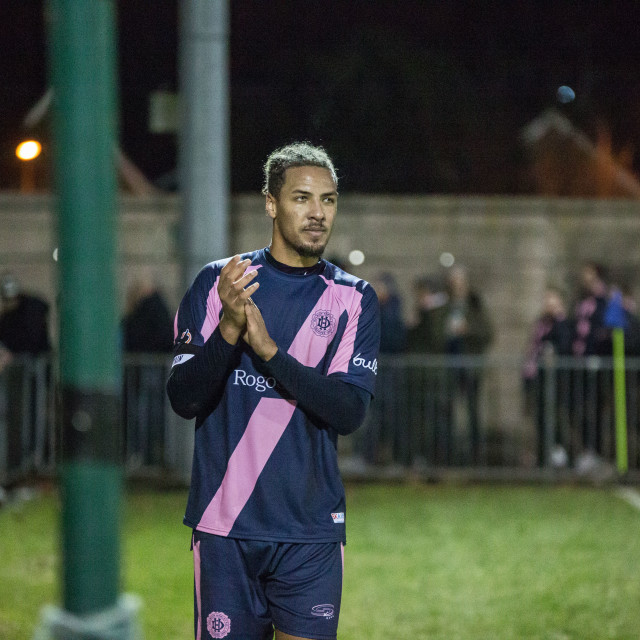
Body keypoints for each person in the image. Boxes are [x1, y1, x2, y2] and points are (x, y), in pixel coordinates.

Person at [166, 142, 380, 640]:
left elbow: (349, 411)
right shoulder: (221, 283)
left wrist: (269, 353)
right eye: (302, 198)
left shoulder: (354, 299)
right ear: (270, 203)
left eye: (328, 200)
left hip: (310, 529)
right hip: (225, 525)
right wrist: (227, 334)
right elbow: (183, 397)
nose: (317, 213)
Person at [522, 286, 573, 466]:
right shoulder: (541, 323)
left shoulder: (563, 323)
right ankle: (544, 458)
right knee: (540, 419)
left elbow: (565, 345)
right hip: (539, 379)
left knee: (556, 419)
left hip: (557, 381)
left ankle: (560, 456)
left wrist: (558, 318)